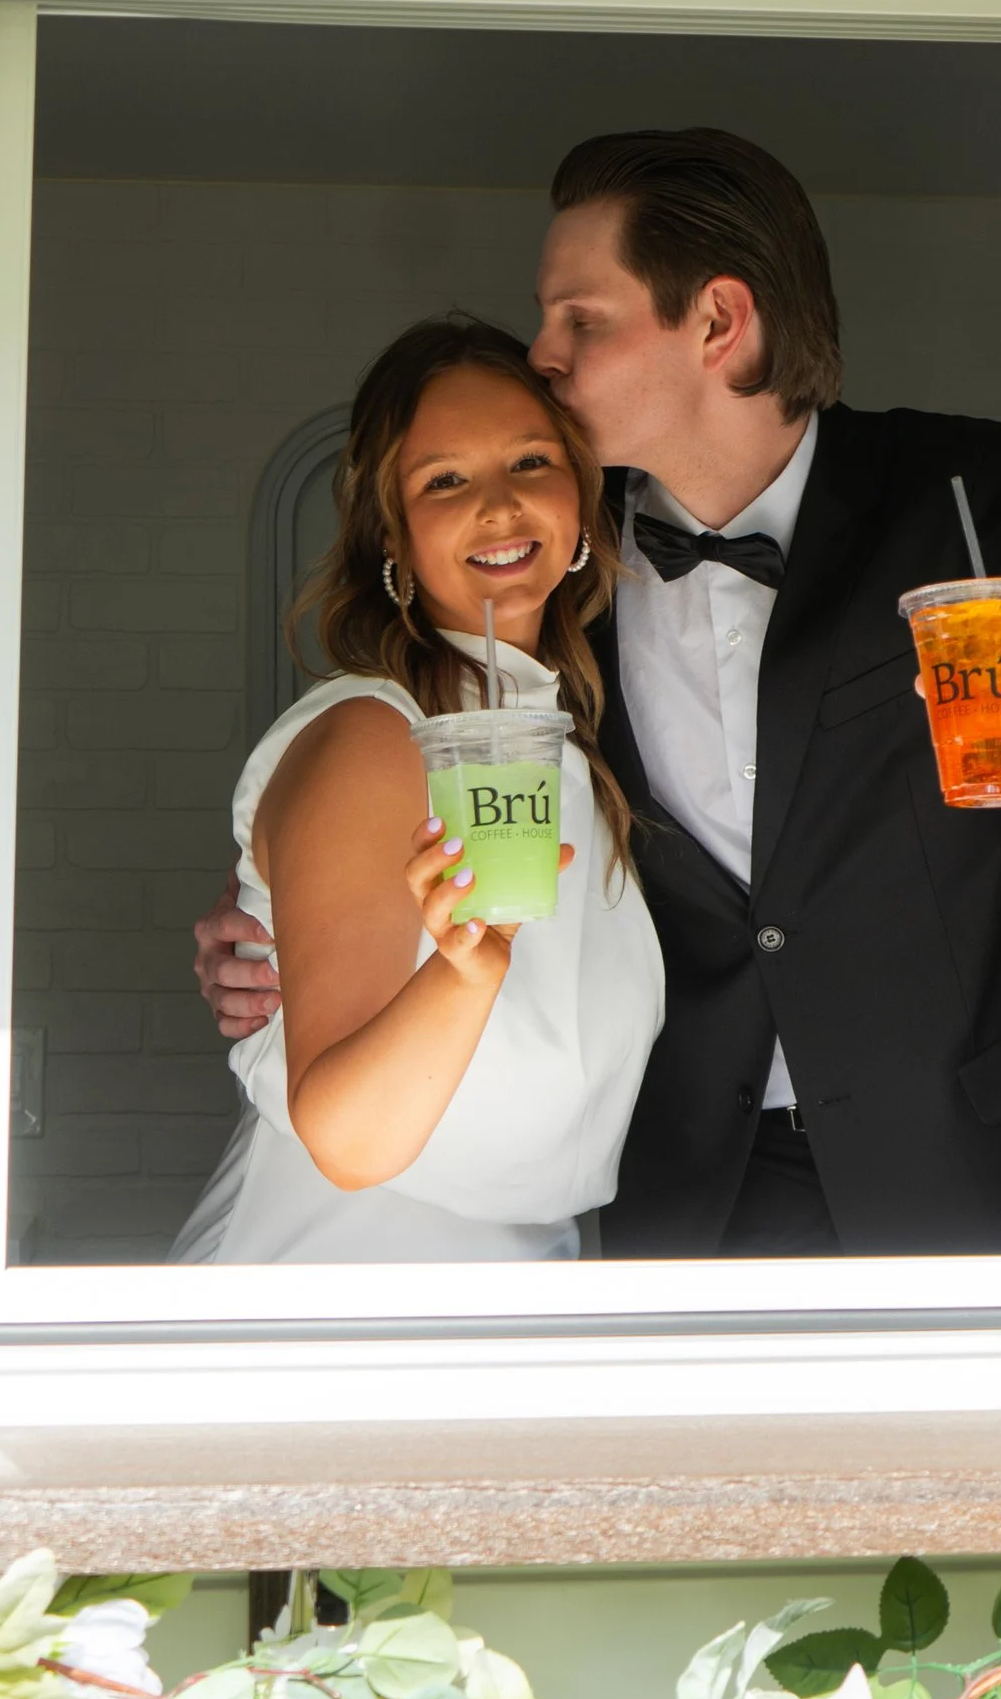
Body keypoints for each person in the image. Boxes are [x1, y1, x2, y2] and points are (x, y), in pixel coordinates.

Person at [198, 128, 1001, 1260]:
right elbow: (382, 781)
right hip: (703, 1186)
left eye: (581, 318)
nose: (545, 354)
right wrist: (282, 922)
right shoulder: (557, 563)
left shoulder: (968, 496)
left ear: (718, 322)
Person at [172, 315, 664, 1263]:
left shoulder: (572, 740)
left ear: (580, 501)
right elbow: (350, 1138)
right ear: (390, 534)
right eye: (445, 480)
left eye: (530, 462)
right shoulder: (374, 736)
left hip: (529, 1279)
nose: (498, 506)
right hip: (346, 1278)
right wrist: (464, 972)